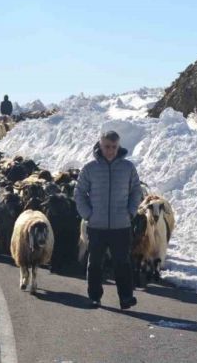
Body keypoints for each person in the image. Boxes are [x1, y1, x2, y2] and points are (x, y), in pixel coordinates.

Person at [74, 130, 142, 310]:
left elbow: (136, 190)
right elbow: (79, 193)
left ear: (118, 146)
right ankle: (95, 297)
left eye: (113, 147)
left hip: (121, 225)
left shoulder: (128, 168)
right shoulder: (90, 168)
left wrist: (131, 212)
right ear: (100, 145)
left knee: (123, 262)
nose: (110, 150)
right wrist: (88, 214)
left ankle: (126, 297)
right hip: (97, 226)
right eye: (107, 146)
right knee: (95, 263)